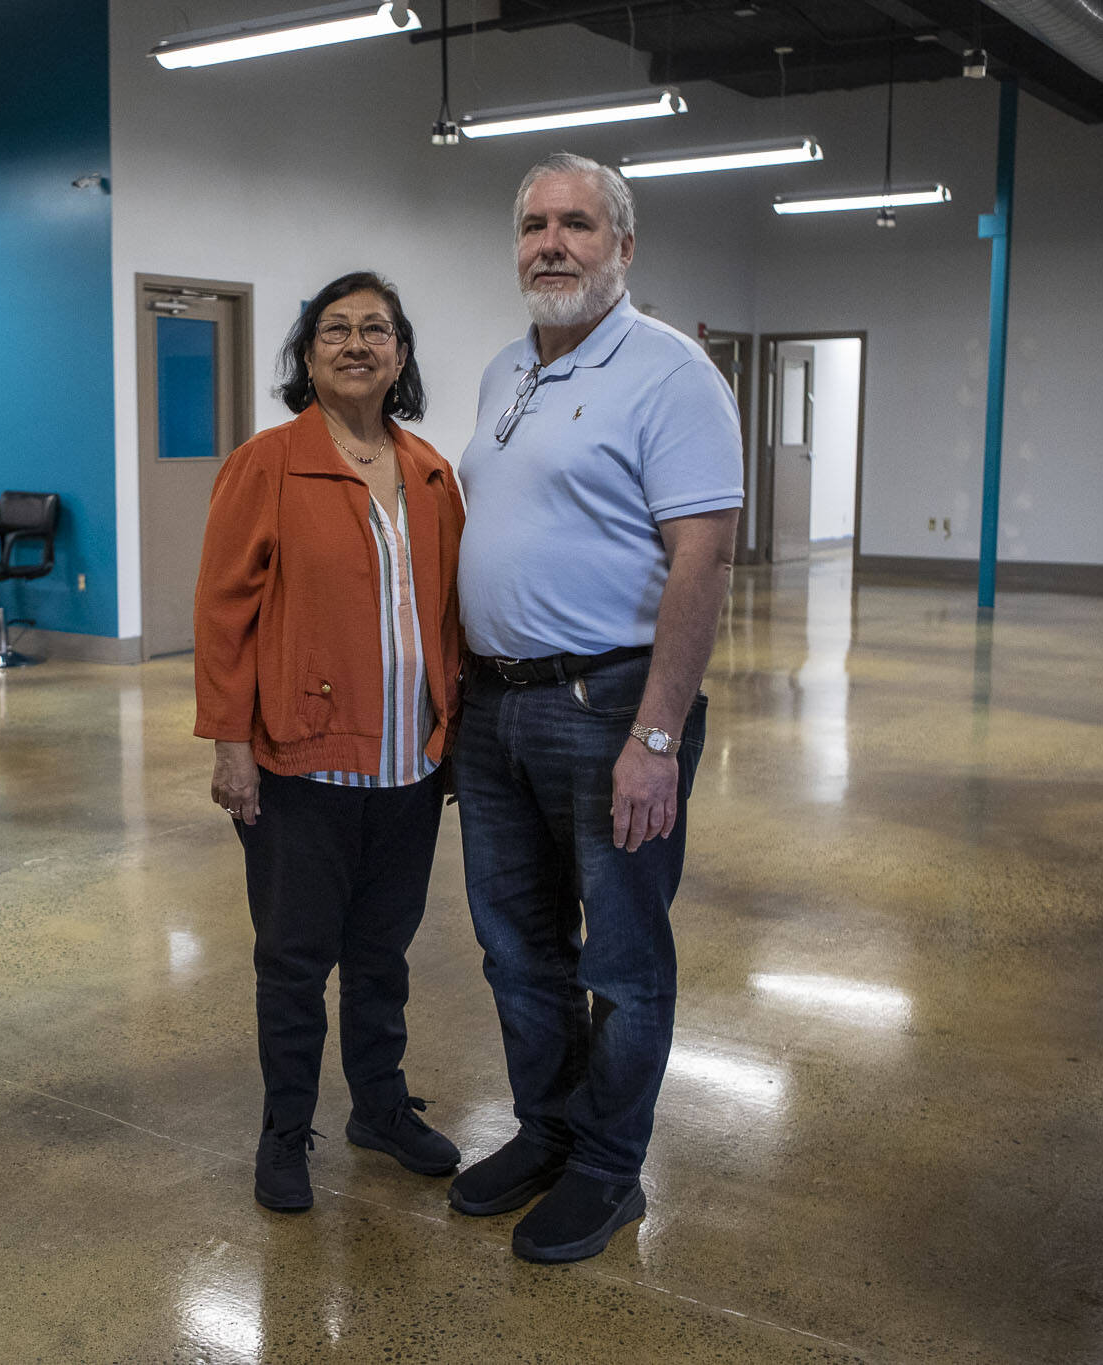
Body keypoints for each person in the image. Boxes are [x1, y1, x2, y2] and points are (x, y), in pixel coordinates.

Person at [448, 154, 744, 1263]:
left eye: (577, 224)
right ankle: (547, 1132)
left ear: (622, 246)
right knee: (513, 948)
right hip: (495, 709)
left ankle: (610, 1170)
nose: (551, 244)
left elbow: (701, 564)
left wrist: (654, 736)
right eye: (533, 225)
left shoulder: (669, 374)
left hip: (611, 704)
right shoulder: (499, 374)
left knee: (617, 958)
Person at [194, 271, 467, 1214]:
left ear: (401, 356)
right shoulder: (266, 464)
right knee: (296, 960)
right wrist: (231, 741)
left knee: (383, 955)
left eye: (377, 330)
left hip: (407, 770)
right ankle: (284, 1133)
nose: (358, 344)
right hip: (300, 764)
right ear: (307, 357)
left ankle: (380, 1109)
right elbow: (224, 613)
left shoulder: (431, 472)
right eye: (336, 330)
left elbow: (451, 615)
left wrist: (453, 738)